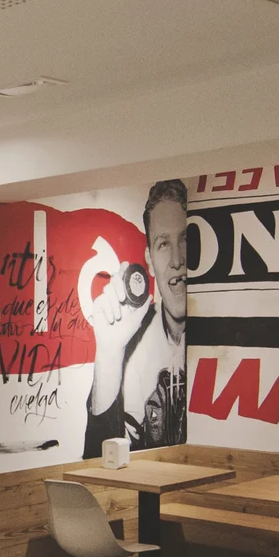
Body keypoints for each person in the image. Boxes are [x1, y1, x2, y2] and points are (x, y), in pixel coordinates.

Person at [79, 179, 190, 455]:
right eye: (163, 244)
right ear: (149, 260)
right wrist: (109, 352)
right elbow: (99, 459)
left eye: (186, 239)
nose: (177, 259)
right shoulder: (134, 345)